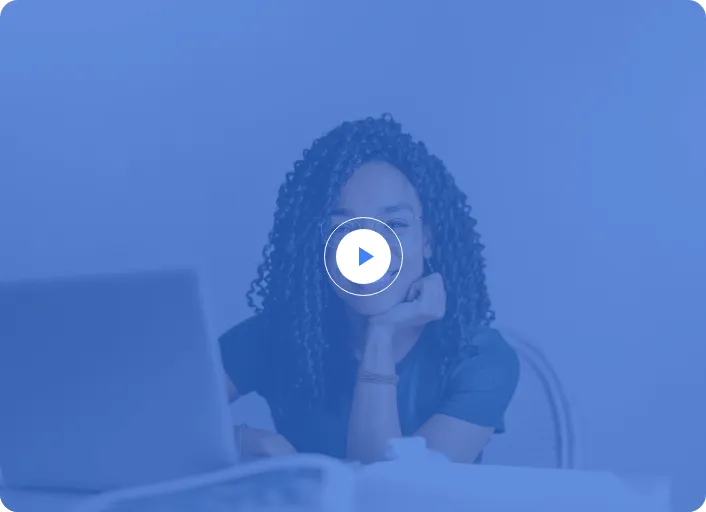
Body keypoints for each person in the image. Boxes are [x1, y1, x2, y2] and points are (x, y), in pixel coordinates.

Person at [220, 114, 520, 464]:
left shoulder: (481, 359)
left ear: (427, 240)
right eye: (344, 229)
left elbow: (391, 490)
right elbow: (165, 420)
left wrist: (381, 333)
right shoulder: (276, 336)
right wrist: (241, 440)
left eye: (395, 224)